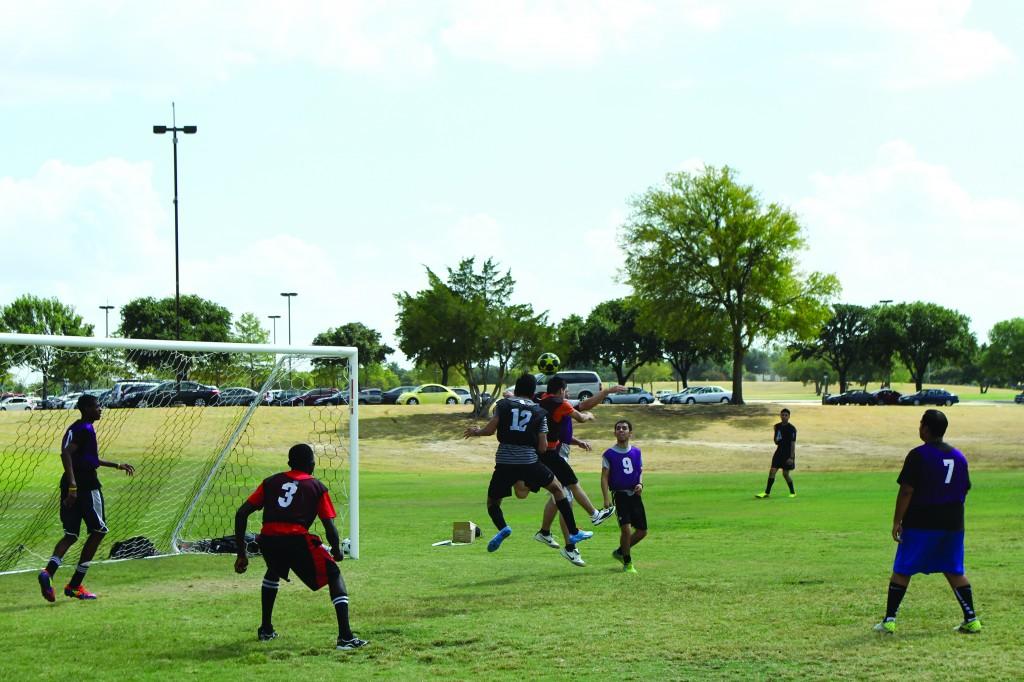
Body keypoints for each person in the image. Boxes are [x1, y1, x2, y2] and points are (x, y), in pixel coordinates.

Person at [234, 443, 368, 650]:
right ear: (312, 464)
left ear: (289, 463)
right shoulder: (316, 486)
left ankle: (266, 629)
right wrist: (337, 550)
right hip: (296, 540)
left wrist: (241, 554)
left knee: (274, 569)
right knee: (334, 575)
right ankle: (345, 637)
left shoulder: (270, 482)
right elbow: (329, 526)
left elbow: (241, 513)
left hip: (268, 540)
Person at [873, 410, 980, 635]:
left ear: (926, 429)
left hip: (921, 521)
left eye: (921, 424)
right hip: (953, 524)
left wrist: (897, 521)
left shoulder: (918, 455)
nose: (919, 427)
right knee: (954, 569)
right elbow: (965, 489)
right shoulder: (959, 456)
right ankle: (971, 619)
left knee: (903, 569)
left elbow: (906, 491)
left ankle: (889, 620)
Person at [463, 373, 593, 554]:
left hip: (504, 462)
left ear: (516, 389)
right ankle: (573, 531)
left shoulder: (503, 405)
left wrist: (477, 432)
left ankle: (503, 528)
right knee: (558, 490)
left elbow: (490, 430)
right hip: (530, 462)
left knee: (493, 502)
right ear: (533, 393)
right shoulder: (540, 412)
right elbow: (542, 447)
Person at [37, 394, 135, 602]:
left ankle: (48, 572)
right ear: (87, 408)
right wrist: (74, 486)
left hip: (70, 483)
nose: (100, 410)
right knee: (99, 531)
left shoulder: (76, 428)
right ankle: (74, 585)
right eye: (97, 406)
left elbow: (87, 458)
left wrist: (116, 465)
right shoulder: (85, 429)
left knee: (71, 534)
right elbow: (66, 454)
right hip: (85, 485)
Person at [532, 377, 624, 566]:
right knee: (566, 494)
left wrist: (576, 441)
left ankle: (545, 532)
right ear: (561, 390)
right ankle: (571, 544)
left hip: (547, 451)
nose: (568, 394)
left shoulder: (542, 399)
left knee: (559, 495)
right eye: (566, 391)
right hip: (551, 453)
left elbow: (581, 408)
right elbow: (582, 413)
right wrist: (589, 416)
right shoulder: (561, 403)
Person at [600, 419, 647, 574]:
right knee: (626, 530)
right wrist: (606, 498)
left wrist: (640, 484)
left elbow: (640, 471)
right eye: (618, 428)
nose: (621, 430)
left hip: (635, 495)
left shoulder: (636, 452)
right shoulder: (609, 454)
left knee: (642, 532)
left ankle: (621, 551)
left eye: (624, 428)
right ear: (614, 433)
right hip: (620, 496)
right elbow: (604, 477)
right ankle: (627, 562)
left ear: (630, 433)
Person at [755, 408, 796, 499]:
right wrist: (776, 438)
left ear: (789, 416)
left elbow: (793, 443)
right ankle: (766, 493)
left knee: (785, 474)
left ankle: (792, 492)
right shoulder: (777, 426)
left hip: (788, 453)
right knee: (772, 471)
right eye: (782, 415)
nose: (784, 417)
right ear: (780, 416)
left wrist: (791, 457)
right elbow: (776, 441)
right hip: (779, 452)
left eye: (786, 415)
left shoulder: (792, 429)